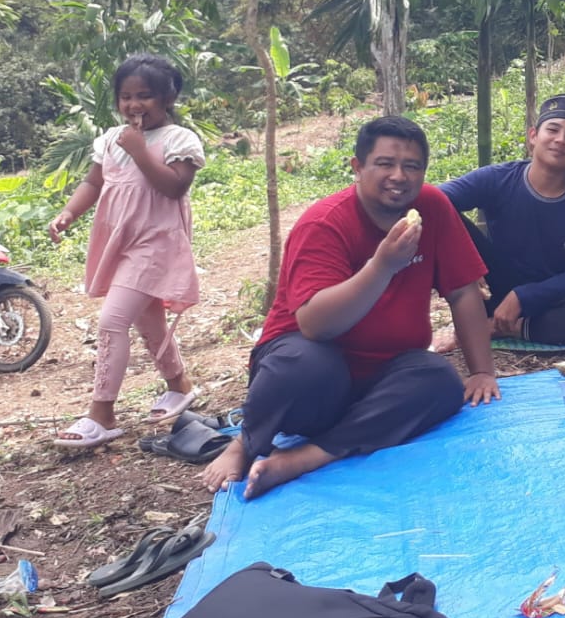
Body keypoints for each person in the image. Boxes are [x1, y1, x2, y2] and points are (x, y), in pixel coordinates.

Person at [200, 117, 499, 499]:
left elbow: (462, 292)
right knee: (304, 365)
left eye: (412, 167)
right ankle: (245, 442)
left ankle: (309, 456)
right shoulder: (324, 224)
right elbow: (315, 327)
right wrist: (382, 266)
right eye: (385, 164)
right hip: (312, 382)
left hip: (383, 376)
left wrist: (482, 371)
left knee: (438, 380)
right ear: (357, 167)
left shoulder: (433, 207)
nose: (399, 176)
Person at [48, 54, 203, 447]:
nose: (134, 105)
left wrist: (139, 150)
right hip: (121, 242)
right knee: (147, 319)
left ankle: (101, 414)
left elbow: (173, 187)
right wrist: (68, 212)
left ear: (168, 97)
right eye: (126, 96)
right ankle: (179, 384)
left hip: (157, 242)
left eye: (145, 96)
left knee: (111, 322)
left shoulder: (179, 140)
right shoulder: (109, 140)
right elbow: (94, 183)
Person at [440, 94, 565, 345]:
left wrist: (523, 296)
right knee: (440, 212)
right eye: (552, 130)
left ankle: (505, 328)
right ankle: (471, 317)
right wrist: (466, 261)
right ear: (533, 136)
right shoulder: (496, 179)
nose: (561, 140)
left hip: (550, 301)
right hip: (492, 290)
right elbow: (432, 201)